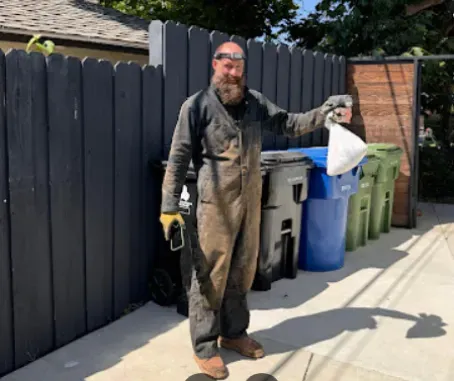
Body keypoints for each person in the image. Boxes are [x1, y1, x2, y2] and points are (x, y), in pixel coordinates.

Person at [159, 41, 352, 379]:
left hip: (251, 201)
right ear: (215, 66)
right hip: (215, 206)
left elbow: (291, 124)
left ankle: (234, 334)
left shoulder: (256, 103)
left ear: (243, 69)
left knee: (243, 270)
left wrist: (325, 114)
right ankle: (204, 345)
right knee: (210, 274)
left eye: (238, 66)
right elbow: (177, 158)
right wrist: (169, 206)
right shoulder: (197, 106)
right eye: (226, 65)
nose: (232, 73)